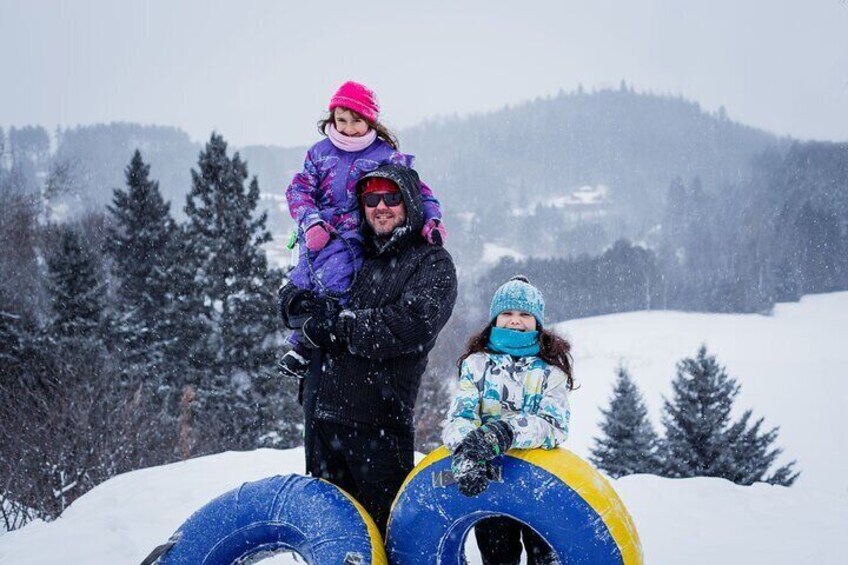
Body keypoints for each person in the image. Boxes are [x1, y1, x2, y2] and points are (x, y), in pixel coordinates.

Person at [277, 163, 457, 535]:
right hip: (322, 422)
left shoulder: (430, 261)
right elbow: (305, 290)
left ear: (409, 202)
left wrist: (338, 326)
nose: (381, 206)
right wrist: (293, 304)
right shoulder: (351, 253)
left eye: (392, 197)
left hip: (378, 427)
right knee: (331, 540)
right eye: (371, 198)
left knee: (387, 539)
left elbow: (411, 325)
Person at [280, 80, 447, 379]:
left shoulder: (384, 155)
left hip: (353, 232)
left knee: (336, 280)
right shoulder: (319, 153)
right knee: (302, 281)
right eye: (340, 120)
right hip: (319, 229)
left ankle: (310, 346)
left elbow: (417, 190)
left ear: (370, 121)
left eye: (356, 121)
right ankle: (299, 341)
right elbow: (299, 189)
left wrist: (431, 221)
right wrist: (310, 220)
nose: (347, 128)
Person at [442, 276, 574, 565]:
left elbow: (554, 425)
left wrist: (505, 431)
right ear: (495, 319)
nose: (516, 321)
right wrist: (469, 450)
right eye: (508, 313)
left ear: (537, 321)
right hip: (493, 480)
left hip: (538, 482)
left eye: (525, 314)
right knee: (498, 557)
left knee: (544, 557)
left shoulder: (551, 371)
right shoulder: (476, 365)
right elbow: (460, 417)